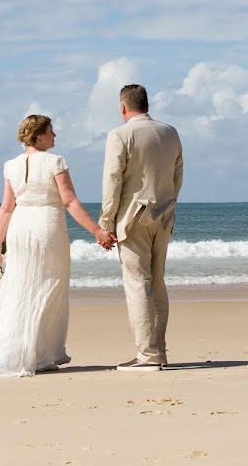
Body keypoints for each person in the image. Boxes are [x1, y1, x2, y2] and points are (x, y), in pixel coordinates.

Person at [0, 115, 115, 377]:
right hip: (47, 227)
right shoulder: (55, 162)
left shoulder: (11, 165)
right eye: (51, 131)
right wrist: (97, 230)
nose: (55, 136)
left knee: (20, 288)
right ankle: (38, 354)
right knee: (49, 287)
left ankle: (12, 354)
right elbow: (70, 202)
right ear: (40, 135)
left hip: (20, 229)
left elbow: (7, 208)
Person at [99, 84, 183, 371]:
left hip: (133, 217)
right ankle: (159, 350)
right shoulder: (170, 132)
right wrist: (169, 204)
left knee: (138, 285)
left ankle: (147, 354)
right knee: (157, 282)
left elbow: (113, 180)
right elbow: (177, 175)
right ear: (147, 104)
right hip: (164, 214)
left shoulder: (120, 134)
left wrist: (106, 222)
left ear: (123, 107)